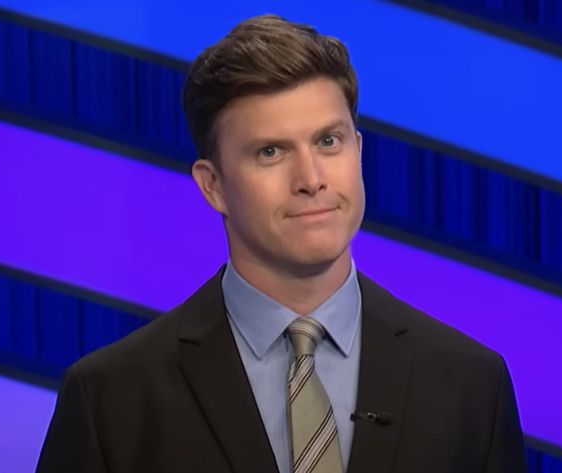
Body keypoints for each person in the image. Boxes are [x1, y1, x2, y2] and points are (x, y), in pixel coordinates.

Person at [36, 14, 526, 473]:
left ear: (359, 150)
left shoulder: (471, 387)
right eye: (270, 152)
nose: (311, 179)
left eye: (328, 142)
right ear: (213, 185)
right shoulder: (111, 399)